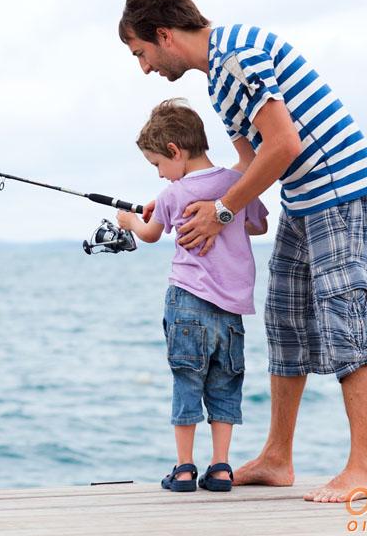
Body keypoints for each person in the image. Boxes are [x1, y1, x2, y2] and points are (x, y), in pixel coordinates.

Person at [117, 0, 367, 503]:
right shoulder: (219, 80)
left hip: (341, 192)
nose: (145, 66)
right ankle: (277, 458)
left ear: (165, 34)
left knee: (343, 317)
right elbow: (246, 165)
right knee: (285, 319)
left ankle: (363, 469)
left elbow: (284, 144)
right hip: (304, 201)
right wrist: (182, 196)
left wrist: (220, 211)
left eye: (141, 51)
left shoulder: (238, 53)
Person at [117, 98, 267, 493]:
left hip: (185, 302)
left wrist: (128, 219)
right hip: (231, 310)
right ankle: (220, 468)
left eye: (157, 165)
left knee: (187, 382)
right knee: (224, 384)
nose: (162, 175)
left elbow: (150, 235)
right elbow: (259, 225)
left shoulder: (173, 193)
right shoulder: (237, 185)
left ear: (174, 151)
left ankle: (184, 469)